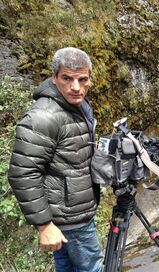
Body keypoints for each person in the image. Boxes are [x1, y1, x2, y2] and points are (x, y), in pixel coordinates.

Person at [8, 47, 103, 272]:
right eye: (67, 78)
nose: (76, 87)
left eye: (82, 79)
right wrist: (44, 225)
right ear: (54, 77)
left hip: (71, 210)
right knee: (93, 268)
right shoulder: (44, 116)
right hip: (71, 218)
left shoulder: (75, 104)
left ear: (89, 78)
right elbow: (22, 173)